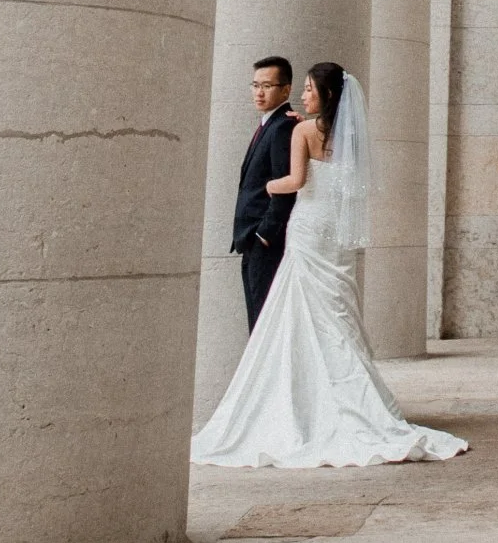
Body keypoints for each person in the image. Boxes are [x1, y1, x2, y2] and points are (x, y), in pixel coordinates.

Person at [191, 63, 467, 468]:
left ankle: (298, 400)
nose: (303, 96)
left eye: (308, 90)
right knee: (333, 313)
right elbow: (350, 186)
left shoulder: (303, 131)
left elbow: (296, 181)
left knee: (297, 309)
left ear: (327, 95)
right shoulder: (351, 137)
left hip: (307, 229)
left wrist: (268, 184)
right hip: (333, 233)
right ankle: (348, 400)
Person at [233, 55, 300, 330]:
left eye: (267, 86)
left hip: (264, 242)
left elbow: (286, 184)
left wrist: (264, 234)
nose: (259, 92)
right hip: (253, 239)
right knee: (257, 318)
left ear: (286, 90)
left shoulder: (284, 126)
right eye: (255, 85)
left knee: (263, 322)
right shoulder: (268, 123)